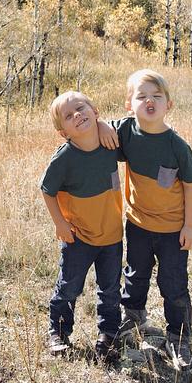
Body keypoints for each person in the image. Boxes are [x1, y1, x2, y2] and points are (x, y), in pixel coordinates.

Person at [111, 68, 192, 371]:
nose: (150, 101)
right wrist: (101, 126)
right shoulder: (125, 132)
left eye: (157, 96)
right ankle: (133, 319)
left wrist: (189, 226)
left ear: (168, 105)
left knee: (173, 284)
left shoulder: (177, 146)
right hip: (138, 223)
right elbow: (98, 129)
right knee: (135, 274)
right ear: (129, 104)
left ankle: (178, 337)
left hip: (173, 229)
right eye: (142, 96)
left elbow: (191, 187)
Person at [40, 90, 124, 362]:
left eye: (81, 108)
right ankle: (58, 332)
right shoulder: (65, 158)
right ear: (63, 132)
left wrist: (103, 125)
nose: (77, 115)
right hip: (78, 236)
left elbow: (135, 127)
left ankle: (108, 335)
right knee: (69, 286)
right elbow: (47, 190)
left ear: (95, 111)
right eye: (68, 116)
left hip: (112, 234)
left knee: (110, 290)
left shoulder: (110, 141)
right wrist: (60, 223)